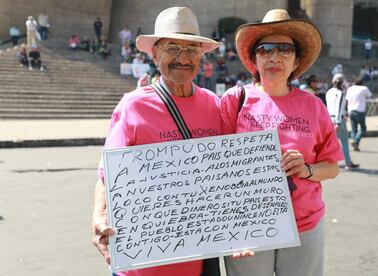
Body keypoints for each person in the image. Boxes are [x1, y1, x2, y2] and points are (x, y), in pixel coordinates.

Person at [92, 6, 221, 276]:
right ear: (154, 53)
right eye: (173, 48)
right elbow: (109, 173)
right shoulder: (132, 105)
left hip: (196, 257)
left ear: (201, 55)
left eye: (191, 50)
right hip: (140, 261)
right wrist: (99, 215)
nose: (183, 58)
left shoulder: (214, 105)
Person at [220, 9, 342, 276]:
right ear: (254, 59)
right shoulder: (235, 100)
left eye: (284, 49)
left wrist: (307, 169)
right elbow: (216, 167)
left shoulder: (314, 105)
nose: (274, 56)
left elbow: (332, 167)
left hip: (305, 224)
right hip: (248, 223)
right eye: (265, 49)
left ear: (296, 59)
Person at [326, 74, 359, 170]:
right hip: (338, 119)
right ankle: (348, 163)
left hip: (329, 119)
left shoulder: (329, 92)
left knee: (329, 143)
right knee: (344, 142)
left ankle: (328, 162)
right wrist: (338, 122)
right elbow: (339, 108)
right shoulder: (340, 93)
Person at [346, 78, 372, 151]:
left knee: (354, 129)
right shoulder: (364, 88)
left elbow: (346, 100)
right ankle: (356, 141)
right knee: (363, 128)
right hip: (360, 111)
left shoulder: (350, 89)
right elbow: (369, 95)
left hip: (350, 110)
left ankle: (355, 145)